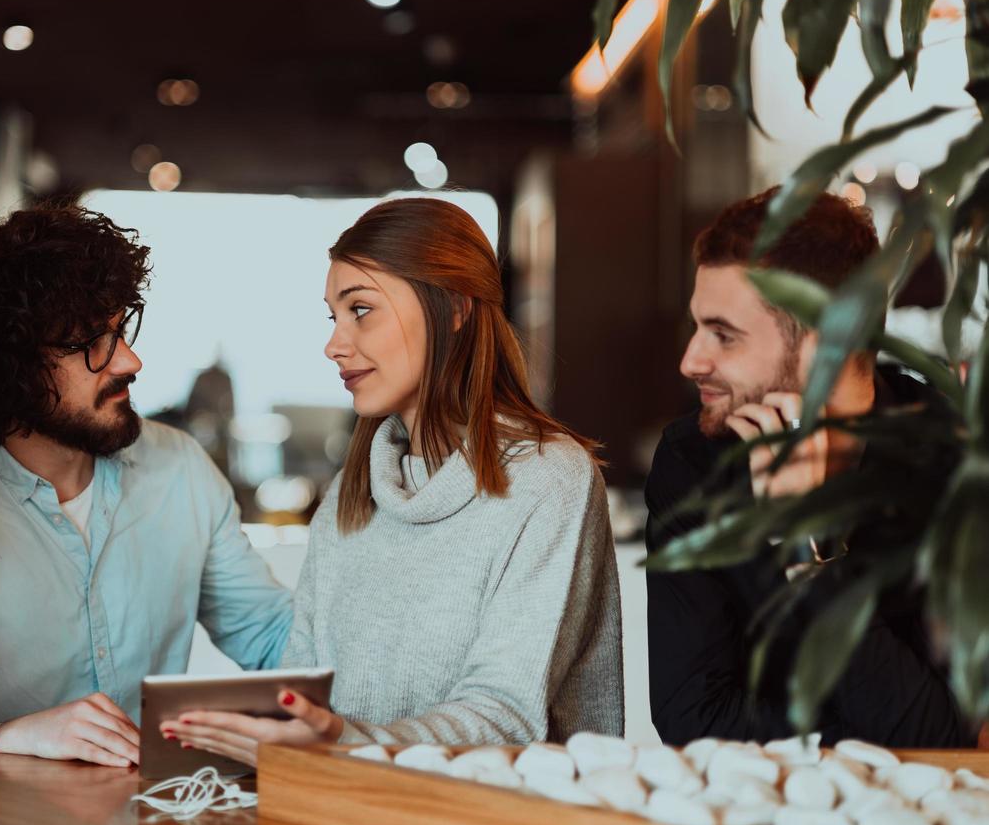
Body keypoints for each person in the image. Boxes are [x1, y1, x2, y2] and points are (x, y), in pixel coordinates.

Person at [164, 197, 623, 763]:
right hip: (345, 822)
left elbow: (508, 715)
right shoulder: (351, 497)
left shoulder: (549, 482)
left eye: (361, 309)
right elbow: (304, 689)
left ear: (453, 307)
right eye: (333, 317)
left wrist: (340, 740)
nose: (335, 344)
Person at [0, 204, 293, 766]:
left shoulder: (180, 470)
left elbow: (273, 641)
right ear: (8, 367)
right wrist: (7, 740)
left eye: (120, 330)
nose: (130, 360)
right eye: (90, 342)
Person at [646, 188, 973, 747]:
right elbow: (692, 721)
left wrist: (809, 553)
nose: (690, 360)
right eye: (698, 327)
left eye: (723, 335)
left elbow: (943, 738)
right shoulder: (694, 459)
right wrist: (876, 719)